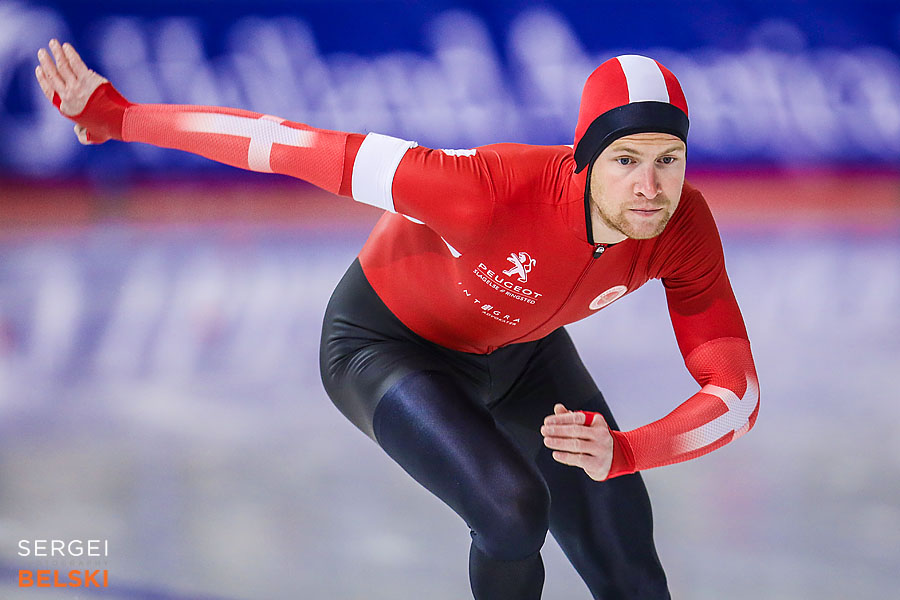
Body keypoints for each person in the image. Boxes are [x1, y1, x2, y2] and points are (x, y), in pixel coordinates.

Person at [36, 39, 759, 600]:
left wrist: (625, 452)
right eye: (626, 159)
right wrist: (116, 117)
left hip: (521, 350)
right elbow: (280, 142)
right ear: (583, 160)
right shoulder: (482, 193)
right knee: (512, 512)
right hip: (386, 347)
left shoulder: (684, 225)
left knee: (634, 574)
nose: (649, 186)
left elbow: (738, 395)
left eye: (670, 160)